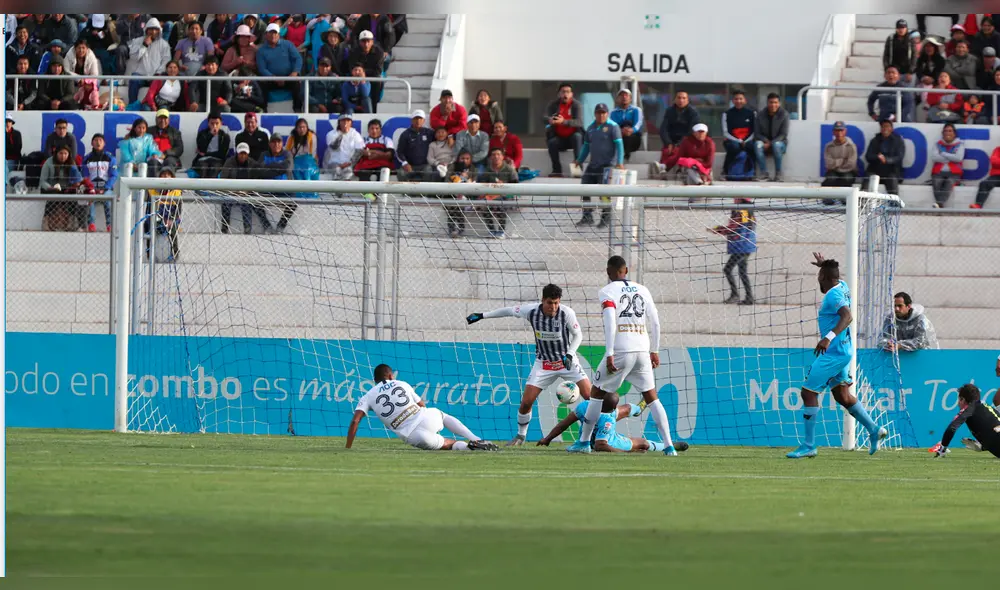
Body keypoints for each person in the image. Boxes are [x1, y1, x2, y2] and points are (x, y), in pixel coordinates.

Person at [570, 256, 677, 455]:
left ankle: (584, 443)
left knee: (596, 394)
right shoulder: (643, 289)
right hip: (642, 349)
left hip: (621, 349)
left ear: (608, 272)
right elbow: (655, 322)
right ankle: (669, 446)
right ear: (626, 270)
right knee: (652, 398)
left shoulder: (607, 291)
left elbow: (610, 318)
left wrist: (610, 352)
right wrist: (655, 350)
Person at [786, 253, 888, 459]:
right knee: (842, 395)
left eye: (819, 278)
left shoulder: (833, 295)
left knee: (808, 393)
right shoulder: (842, 286)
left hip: (834, 352)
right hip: (843, 351)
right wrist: (824, 265)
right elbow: (834, 277)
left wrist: (828, 338)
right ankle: (874, 429)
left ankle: (808, 445)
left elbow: (847, 316)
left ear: (823, 278)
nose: (819, 283)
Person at [466, 284, 591, 446]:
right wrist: (482, 315)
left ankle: (599, 433)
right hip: (544, 364)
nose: (553, 307)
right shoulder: (531, 311)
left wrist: (570, 354)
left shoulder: (567, 313)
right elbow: (508, 310)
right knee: (526, 402)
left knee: (591, 398)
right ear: (542, 300)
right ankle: (520, 436)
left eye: (556, 303)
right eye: (549, 303)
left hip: (567, 362)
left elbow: (578, 335)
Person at [345, 364, 498, 451]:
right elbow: (421, 404)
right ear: (391, 376)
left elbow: (355, 421)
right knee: (442, 416)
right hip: (425, 417)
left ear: (375, 380)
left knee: (447, 444)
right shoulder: (401, 383)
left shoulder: (368, 396)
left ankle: (470, 447)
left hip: (413, 435)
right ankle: (476, 439)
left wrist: (348, 447)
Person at [538, 395, 680, 453]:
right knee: (642, 442)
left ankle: (637, 409)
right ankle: (668, 446)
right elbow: (601, 445)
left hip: (590, 434)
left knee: (626, 409)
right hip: (611, 441)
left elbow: (563, 424)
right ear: (612, 409)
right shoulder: (609, 420)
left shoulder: (585, 406)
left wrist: (547, 438)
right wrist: (625, 453)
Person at [574, 103, 623, 228]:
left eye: (603, 113)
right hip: (593, 164)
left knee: (604, 193)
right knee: (584, 188)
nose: (601, 115)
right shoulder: (590, 128)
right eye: (599, 113)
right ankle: (587, 216)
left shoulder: (613, 126)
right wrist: (579, 160)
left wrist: (620, 162)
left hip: (607, 165)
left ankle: (606, 217)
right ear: (595, 114)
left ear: (607, 113)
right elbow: (586, 146)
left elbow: (619, 145)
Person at [928, 384, 1000, 458]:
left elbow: (952, 428)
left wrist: (942, 450)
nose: (958, 404)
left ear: (962, 399)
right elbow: (993, 431)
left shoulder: (969, 409)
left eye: (959, 400)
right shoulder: (987, 407)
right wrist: (983, 447)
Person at [710, 198, 756, 305]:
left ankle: (735, 295)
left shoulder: (739, 212)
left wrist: (717, 230)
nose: (734, 200)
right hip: (747, 246)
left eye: (736, 198)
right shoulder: (750, 212)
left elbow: (732, 229)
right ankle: (749, 297)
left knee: (728, 269)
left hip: (740, 246)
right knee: (742, 272)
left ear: (740, 200)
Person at [219, 142, 273, 234]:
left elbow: (257, 179)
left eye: (245, 153)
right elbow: (224, 179)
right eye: (241, 153)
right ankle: (225, 227)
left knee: (252, 203)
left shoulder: (253, 163)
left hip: (248, 192)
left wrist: (247, 191)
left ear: (248, 154)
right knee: (225, 203)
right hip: (231, 192)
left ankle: (258, 227)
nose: (243, 156)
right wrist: (234, 191)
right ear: (237, 153)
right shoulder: (229, 162)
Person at [256, 23, 303, 112]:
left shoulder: (288, 44)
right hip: (271, 79)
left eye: (275, 33)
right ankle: (263, 110)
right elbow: (262, 69)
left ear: (279, 34)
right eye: (270, 33)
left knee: (297, 85)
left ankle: (297, 110)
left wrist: (294, 72)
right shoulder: (261, 50)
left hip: (289, 77)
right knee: (261, 85)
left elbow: (298, 58)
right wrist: (274, 78)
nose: (273, 35)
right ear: (266, 34)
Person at [39, 144, 87, 231]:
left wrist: (76, 183)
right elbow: (42, 181)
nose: (63, 156)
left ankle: (72, 222)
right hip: (50, 188)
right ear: (56, 153)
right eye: (61, 153)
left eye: (65, 153)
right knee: (54, 195)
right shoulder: (49, 162)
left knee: (75, 194)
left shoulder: (71, 163)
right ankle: (46, 222)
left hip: (66, 188)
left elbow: (78, 178)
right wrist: (51, 187)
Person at [125, 18, 171, 105]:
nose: (153, 32)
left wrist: (158, 73)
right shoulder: (138, 41)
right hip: (141, 75)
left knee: (162, 81)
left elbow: (166, 61)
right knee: (134, 78)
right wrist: (144, 45)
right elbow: (133, 58)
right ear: (146, 30)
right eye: (151, 29)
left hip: (156, 76)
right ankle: (132, 105)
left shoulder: (164, 44)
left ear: (159, 31)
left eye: (155, 29)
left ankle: (155, 105)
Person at [656, 90, 701, 177]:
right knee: (667, 151)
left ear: (687, 100)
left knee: (677, 151)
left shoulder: (693, 113)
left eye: (684, 98)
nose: (681, 100)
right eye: (679, 98)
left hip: (686, 141)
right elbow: (663, 129)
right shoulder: (669, 111)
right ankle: (662, 172)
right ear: (675, 100)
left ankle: (665, 168)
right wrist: (668, 142)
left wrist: (679, 144)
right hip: (671, 140)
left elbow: (692, 131)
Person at [477, 146, 519, 239]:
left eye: (498, 154)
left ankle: (501, 231)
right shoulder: (487, 169)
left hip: (506, 195)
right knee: (483, 205)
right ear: (490, 157)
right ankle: (492, 230)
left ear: (502, 156)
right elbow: (483, 183)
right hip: (491, 195)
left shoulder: (509, 169)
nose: (496, 157)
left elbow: (515, 184)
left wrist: (504, 185)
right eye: (493, 155)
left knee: (501, 205)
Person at [259, 133, 298, 233]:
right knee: (252, 201)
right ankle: (266, 225)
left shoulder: (287, 154)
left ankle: (281, 225)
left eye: (278, 142)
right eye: (273, 142)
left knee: (294, 201)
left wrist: (270, 168)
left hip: (284, 189)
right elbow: (260, 171)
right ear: (269, 144)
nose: (276, 144)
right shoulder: (264, 155)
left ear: (282, 144)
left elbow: (287, 168)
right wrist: (279, 167)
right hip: (267, 189)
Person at [545, 84, 584, 178]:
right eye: (563, 92)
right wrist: (549, 120)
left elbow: (579, 122)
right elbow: (544, 117)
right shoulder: (553, 104)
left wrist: (564, 121)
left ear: (572, 94)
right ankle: (557, 170)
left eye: (568, 92)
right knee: (552, 143)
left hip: (573, 137)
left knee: (577, 137)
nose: (565, 94)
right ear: (559, 94)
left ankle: (578, 170)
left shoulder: (576, 105)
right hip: (560, 137)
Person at [81, 133, 118, 232]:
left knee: (108, 200)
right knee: (90, 199)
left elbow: (114, 175)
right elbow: (85, 175)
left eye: (100, 140)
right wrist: (91, 188)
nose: (98, 142)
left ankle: (110, 225)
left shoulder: (110, 157)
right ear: (92, 143)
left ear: (104, 143)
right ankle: (91, 224)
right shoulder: (87, 158)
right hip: (91, 188)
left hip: (106, 188)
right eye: (95, 140)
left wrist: (105, 188)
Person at [752, 93, 789, 181]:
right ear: (767, 103)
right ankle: (764, 173)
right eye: (771, 102)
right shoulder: (760, 115)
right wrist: (766, 141)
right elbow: (757, 133)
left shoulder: (784, 114)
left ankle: (778, 174)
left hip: (780, 144)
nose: (773, 105)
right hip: (764, 142)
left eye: (775, 102)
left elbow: (783, 134)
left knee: (776, 145)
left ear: (779, 103)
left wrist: (771, 143)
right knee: (757, 144)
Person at [864, 118, 905, 196]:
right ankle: (861, 204)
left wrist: (887, 160)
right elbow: (868, 156)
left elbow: (899, 157)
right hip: (875, 169)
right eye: (883, 126)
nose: (885, 128)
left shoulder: (898, 141)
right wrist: (877, 157)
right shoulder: (875, 140)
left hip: (891, 170)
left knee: (893, 187)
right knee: (865, 185)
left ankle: (894, 205)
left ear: (891, 128)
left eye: (887, 126)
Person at [148, 167, 182, 260]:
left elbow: (178, 209)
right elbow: (149, 208)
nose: (166, 176)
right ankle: (150, 255)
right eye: (163, 174)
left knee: (173, 228)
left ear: (172, 177)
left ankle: (175, 253)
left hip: (170, 217)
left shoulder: (177, 191)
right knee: (148, 227)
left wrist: (171, 219)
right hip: (156, 216)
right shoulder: (152, 190)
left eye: (168, 174)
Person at [721, 89, 756, 180]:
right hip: (732, 140)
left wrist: (745, 141)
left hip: (748, 140)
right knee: (734, 147)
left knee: (752, 147)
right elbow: (725, 132)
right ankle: (725, 172)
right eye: (736, 99)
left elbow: (754, 131)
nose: (738, 101)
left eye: (741, 99)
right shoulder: (727, 114)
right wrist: (739, 141)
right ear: (733, 101)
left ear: (745, 100)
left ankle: (751, 173)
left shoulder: (752, 113)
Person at [929, 122, 964, 208]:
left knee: (949, 183)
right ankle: (940, 204)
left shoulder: (960, 144)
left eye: (950, 131)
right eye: (946, 131)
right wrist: (951, 157)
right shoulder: (937, 144)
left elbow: (959, 158)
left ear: (954, 133)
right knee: (936, 182)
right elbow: (935, 157)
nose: (948, 133)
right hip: (938, 171)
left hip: (954, 172)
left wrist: (943, 153)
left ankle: (939, 204)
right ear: (942, 133)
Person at [821, 121, 858, 202]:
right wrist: (842, 161)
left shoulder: (851, 146)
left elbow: (851, 164)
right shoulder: (828, 146)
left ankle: (845, 197)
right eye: (837, 130)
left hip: (848, 171)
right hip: (833, 171)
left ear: (845, 131)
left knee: (846, 178)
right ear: (833, 132)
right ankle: (828, 197)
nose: (839, 133)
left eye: (841, 130)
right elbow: (828, 164)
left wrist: (836, 165)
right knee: (831, 178)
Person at [395, 109, 434, 182]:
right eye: (416, 118)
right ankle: (406, 193)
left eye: (420, 118)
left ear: (424, 120)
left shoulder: (429, 133)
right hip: (410, 165)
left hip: (424, 165)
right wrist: (405, 163)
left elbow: (440, 140)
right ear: (412, 120)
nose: (418, 121)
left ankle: (424, 193)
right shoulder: (405, 134)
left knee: (429, 171)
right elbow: (399, 152)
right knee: (401, 173)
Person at [322, 113, 365, 180]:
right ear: (339, 122)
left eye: (348, 121)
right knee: (337, 170)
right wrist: (342, 134)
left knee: (348, 172)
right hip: (334, 163)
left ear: (351, 123)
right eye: (343, 121)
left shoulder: (355, 134)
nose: (345, 123)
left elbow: (359, 151)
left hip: (349, 164)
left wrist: (349, 163)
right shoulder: (331, 134)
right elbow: (334, 146)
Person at [192, 112, 231, 180]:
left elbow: (222, 154)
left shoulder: (225, 137)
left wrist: (205, 154)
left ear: (221, 123)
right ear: (208, 123)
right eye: (212, 123)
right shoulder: (202, 134)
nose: (214, 126)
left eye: (217, 123)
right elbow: (201, 148)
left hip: (218, 160)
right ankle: (201, 189)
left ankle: (211, 190)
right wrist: (210, 135)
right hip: (202, 160)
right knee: (203, 169)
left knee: (214, 169)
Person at [610, 88, 644, 161]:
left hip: (633, 138)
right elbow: (612, 126)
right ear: (618, 99)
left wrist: (631, 130)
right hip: (619, 137)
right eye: (621, 95)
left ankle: (624, 155)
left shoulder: (636, 110)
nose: (624, 97)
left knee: (627, 124)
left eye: (626, 95)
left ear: (630, 98)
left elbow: (638, 124)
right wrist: (621, 131)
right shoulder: (613, 112)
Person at [883, 18, 917, 83]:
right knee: (892, 92)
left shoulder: (911, 39)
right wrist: (887, 69)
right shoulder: (891, 39)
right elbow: (886, 55)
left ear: (906, 28)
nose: (901, 30)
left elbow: (914, 56)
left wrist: (910, 72)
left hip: (907, 73)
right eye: (899, 28)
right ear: (896, 29)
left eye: (903, 28)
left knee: (907, 93)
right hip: (893, 73)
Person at [972, 143, 1000, 208]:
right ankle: (978, 205)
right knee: (984, 184)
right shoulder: (998, 149)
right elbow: (994, 161)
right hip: (996, 176)